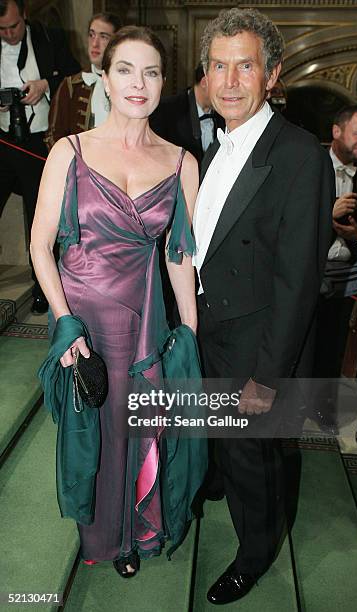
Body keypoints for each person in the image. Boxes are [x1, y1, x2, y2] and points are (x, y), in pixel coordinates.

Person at [31, 26, 201, 577]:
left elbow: (179, 257)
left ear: (161, 84)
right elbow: (39, 245)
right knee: (94, 434)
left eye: (151, 72)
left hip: (146, 319)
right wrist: (63, 322)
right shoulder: (70, 151)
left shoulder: (181, 164)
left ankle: (134, 535)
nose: (139, 83)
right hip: (84, 321)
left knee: (140, 430)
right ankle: (102, 535)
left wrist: (190, 337)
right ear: (105, 77)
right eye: (126, 69)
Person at [193, 8, 334, 605]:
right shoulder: (209, 144)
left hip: (255, 341)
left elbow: (297, 281)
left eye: (244, 67)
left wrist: (267, 378)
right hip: (207, 327)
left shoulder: (301, 155)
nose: (229, 81)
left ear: (271, 73)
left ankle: (254, 554)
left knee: (256, 457)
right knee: (228, 448)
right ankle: (220, 478)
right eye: (218, 67)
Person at [0, 0, 80, 313]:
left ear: (25, 17)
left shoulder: (50, 38)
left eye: (14, 26)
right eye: (2, 30)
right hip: (3, 140)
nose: (8, 34)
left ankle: (42, 289)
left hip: (38, 143)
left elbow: (75, 75)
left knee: (40, 218)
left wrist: (45, 84)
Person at [313, 105, 357, 434]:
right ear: (337, 132)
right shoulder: (312, 165)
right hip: (313, 269)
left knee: (335, 345)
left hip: (350, 274)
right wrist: (327, 212)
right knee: (308, 340)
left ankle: (324, 410)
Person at [45, 12, 121, 150]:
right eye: (91, 34)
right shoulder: (70, 86)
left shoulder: (127, 86)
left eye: (103, 36)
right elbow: (53, 136)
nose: (95, 43)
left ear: (117, 43)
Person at [150, 62, 225, 167]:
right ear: (205, 82)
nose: (227, 91)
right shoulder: (165, 111)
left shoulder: (227, 115)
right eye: (222, 84)